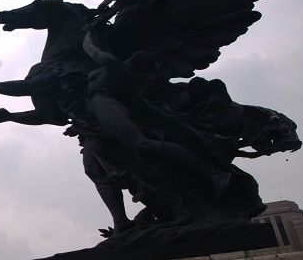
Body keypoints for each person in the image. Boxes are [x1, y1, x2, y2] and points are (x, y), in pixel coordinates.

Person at [80, 25, 233, 198]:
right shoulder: (119, 72)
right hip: (95, 114)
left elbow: (90, 48)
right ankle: (121, 221)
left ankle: (214, 173)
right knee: (93, 165)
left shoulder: (112, 64)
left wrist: (88, 32)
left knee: (141, 143)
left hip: (104, 104)